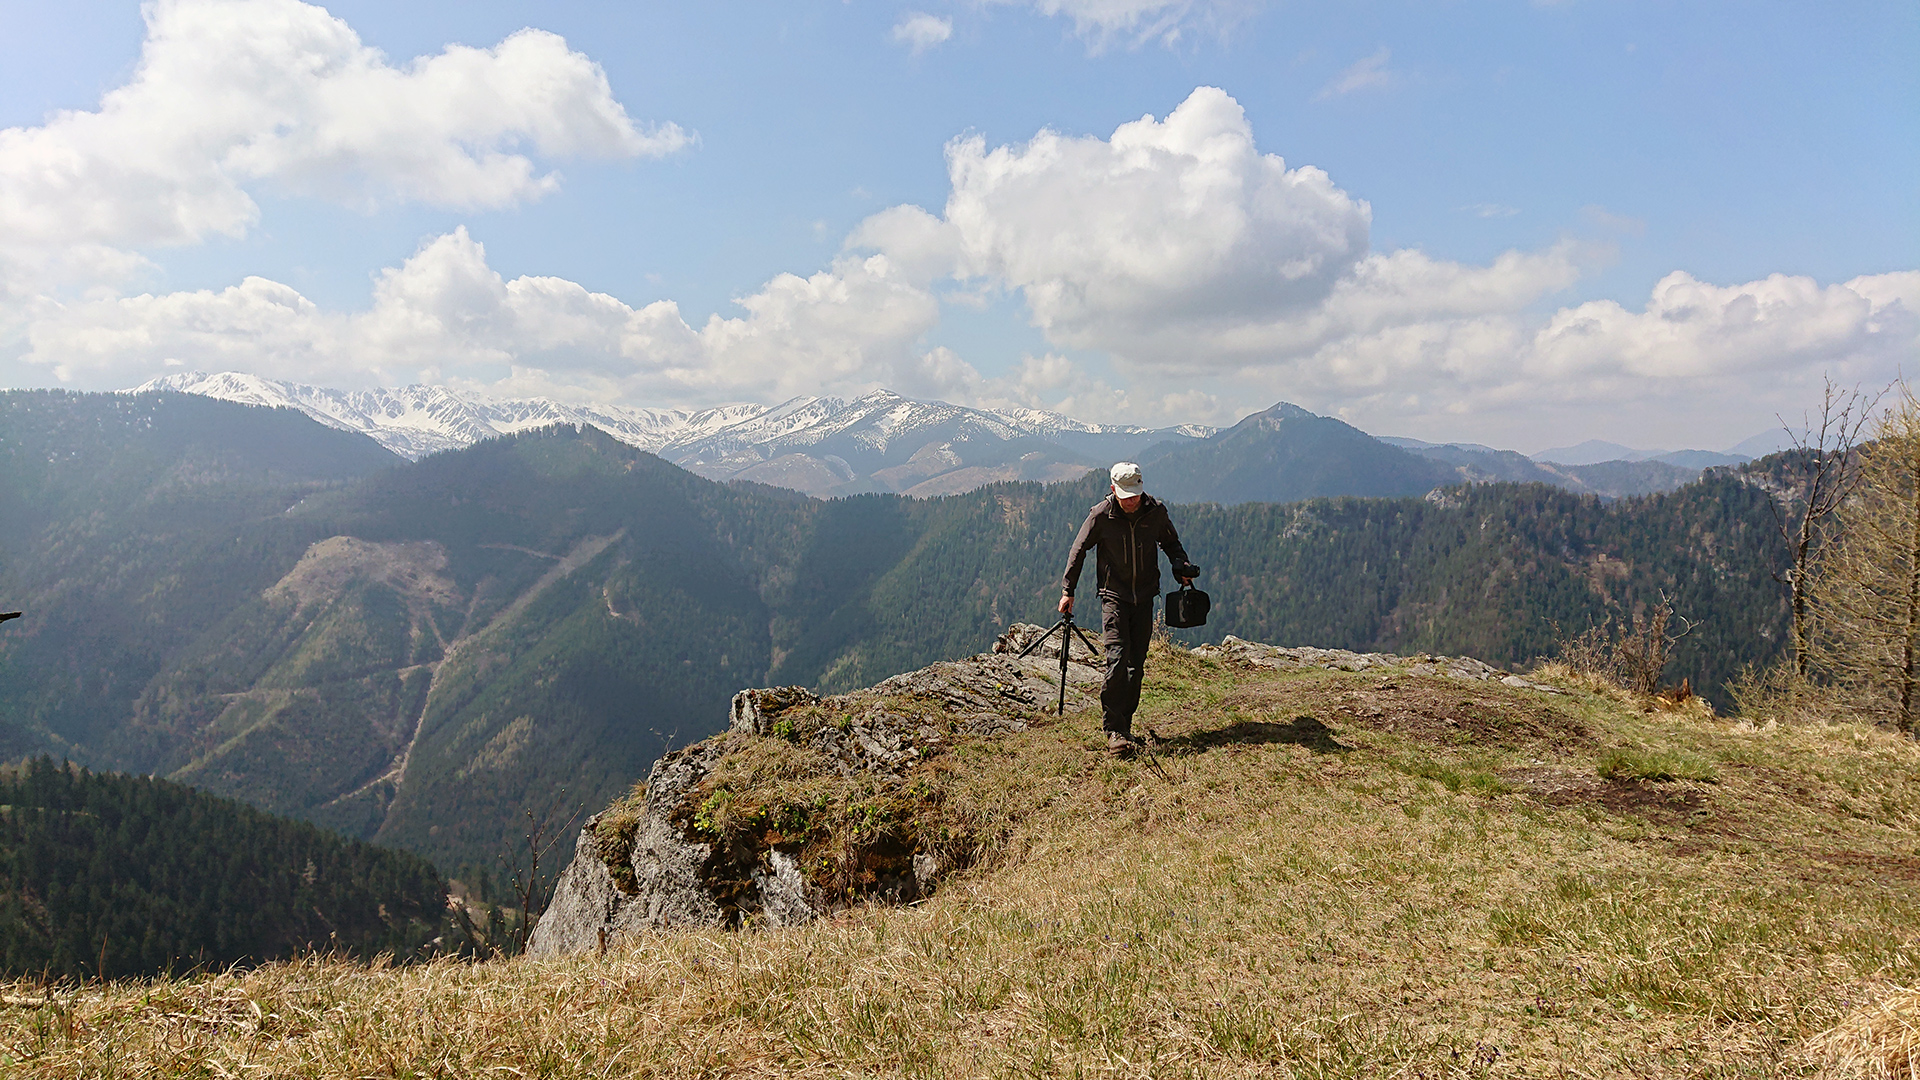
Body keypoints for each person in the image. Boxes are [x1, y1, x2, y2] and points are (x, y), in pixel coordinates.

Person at [1059, 462, 1197, 757]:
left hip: (1145, 597)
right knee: (1118, 660)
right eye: (1125, 495)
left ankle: (1125, 724)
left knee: (1136, 665)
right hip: (1114, 597)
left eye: (1135, 493)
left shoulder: (1155, 512)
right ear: (1113, 490)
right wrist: (1068, 591)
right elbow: (1079, 550)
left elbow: (1172, 543)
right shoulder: (1101, 516)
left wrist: (1180, 567)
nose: (1131, 500)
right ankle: (1114, 730)